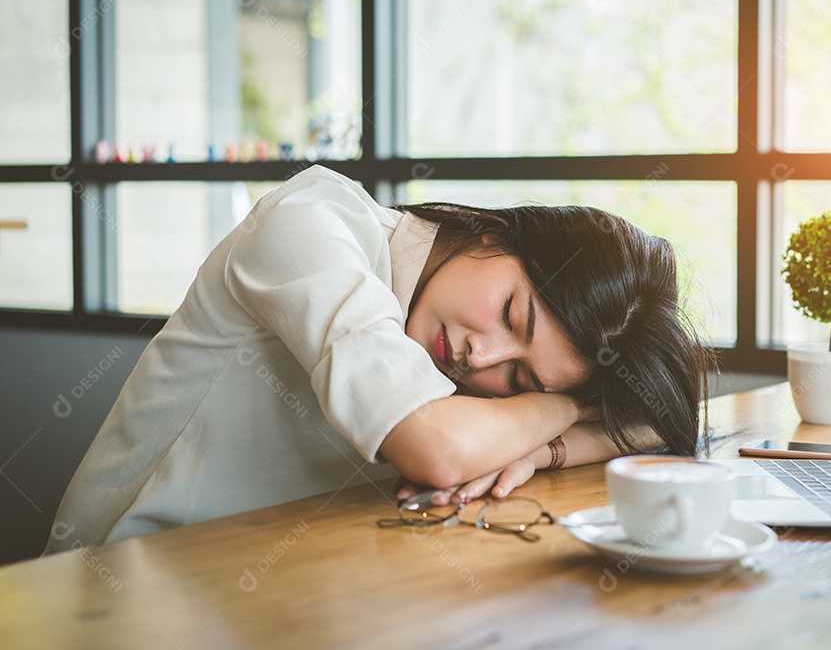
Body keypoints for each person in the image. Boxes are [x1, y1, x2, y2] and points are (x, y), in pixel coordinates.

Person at [44, 165, 710, 552]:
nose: (483, 359)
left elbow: (665, 419)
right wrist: (558, 405)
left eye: (520, 375)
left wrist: (543, 450)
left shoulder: (457, 336)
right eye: (512, 315)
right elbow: (437, 450)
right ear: (494, 232)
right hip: (122, 578)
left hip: (282, 573)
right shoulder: (311, 225)